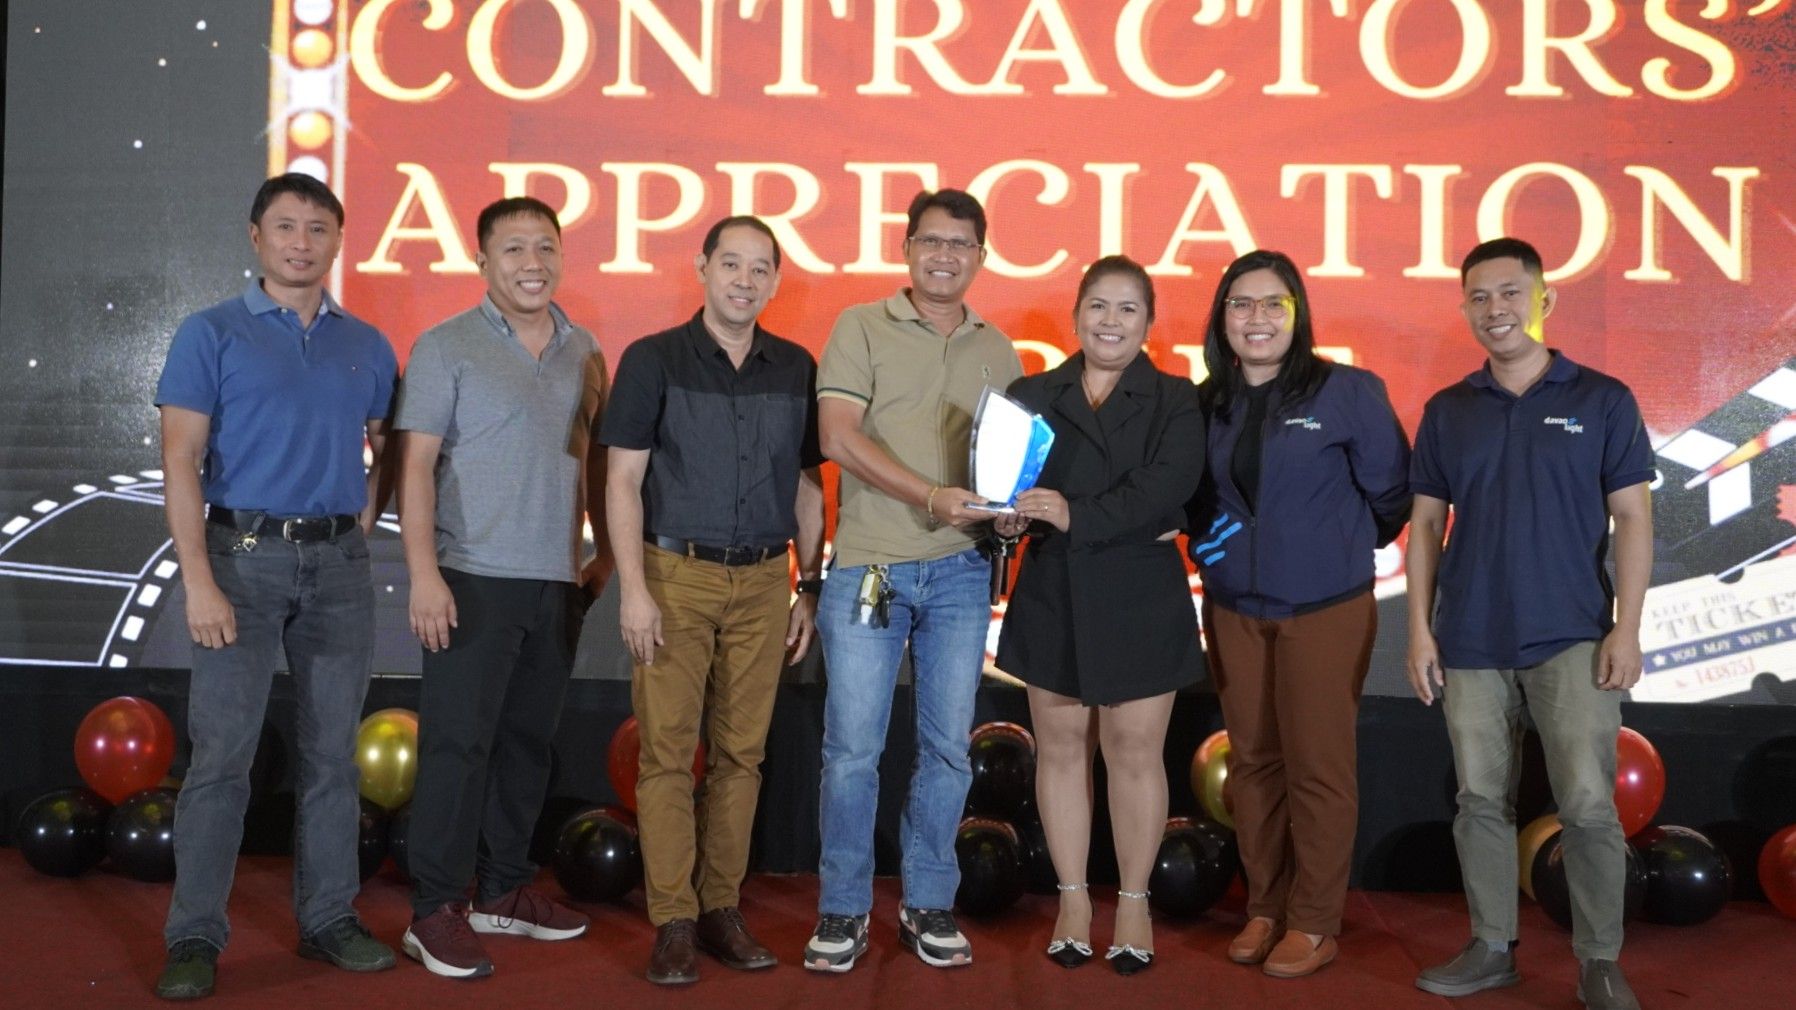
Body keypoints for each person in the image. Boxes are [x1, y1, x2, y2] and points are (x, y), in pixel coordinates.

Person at [153, 173, 399, 999]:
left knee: (334, 759)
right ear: (256, 237)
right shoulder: (211, 332)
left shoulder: (368, 343)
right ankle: (194, 936)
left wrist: (363, 519)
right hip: (238, 562)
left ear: (338, 241)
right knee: (222, 760)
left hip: (339, 570)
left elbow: (387, 444)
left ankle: (329, 918)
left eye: (318, 228)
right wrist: (198, 579)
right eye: (286, 226)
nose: (302, 242)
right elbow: (180, 461)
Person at [1407, 238, 1653, 1010]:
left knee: (1587, 805)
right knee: (1480, 801)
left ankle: (1600, 960)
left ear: (1545, 299)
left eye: (1511, 292)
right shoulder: (1449, 410)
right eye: (1479, 297)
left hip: (1573, 634)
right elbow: (1425, 526)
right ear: (1464, 308)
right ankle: (1491, 947)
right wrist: (1419, 631)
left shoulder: (1603, 399)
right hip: (1470, 637)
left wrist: (1627, 629)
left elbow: (1632, 518)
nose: (1496, 309)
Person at [602, 215, 826, 985]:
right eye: (731, 264)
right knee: (668, 755)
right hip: (674, 576)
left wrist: (809, 585)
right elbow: (622, 481)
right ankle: (673, 919)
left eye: (760, 268)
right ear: (702, 267)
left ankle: (721, 908)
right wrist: (633, 591)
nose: (744, 280)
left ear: (775, 280)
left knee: (742, 756)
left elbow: (808, 485)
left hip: (765, 582)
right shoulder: (652, 359)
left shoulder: (795, 367)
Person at [803, 189, 1022, 972]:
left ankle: (928, 901)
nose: (945, 256)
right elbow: (837, 438)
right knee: (851, 752)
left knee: (947, 752)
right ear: (906, 249)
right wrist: (930, 497)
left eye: (960, 244)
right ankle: (842, 908)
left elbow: (1004, 466)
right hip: (871, 567)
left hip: (962, 572)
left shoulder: (999, 350)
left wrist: (1008, 516)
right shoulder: (860, 326)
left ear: (980, 256)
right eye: (931, 241)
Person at [393, 196, 610, 979]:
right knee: (458, 747)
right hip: (471, 578)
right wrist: (424, 575)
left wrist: (603, 556)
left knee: (526, 745)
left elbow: (596, 463)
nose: (532, 263)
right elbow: (415, 465)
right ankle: (434, 909)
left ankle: (504, 889)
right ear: (482, 260)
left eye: (545, 246)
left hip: (556, 581)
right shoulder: (445, 345)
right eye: (514, 248)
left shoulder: (585, 350)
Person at [1188, 250, 1412, 978]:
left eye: (1272, 304)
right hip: (1233, 609)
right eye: (1241, 304)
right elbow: (1196, 504)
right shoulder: (1205, 401)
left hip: (1324, 609)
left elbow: (1392, 498)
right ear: (1222, 318)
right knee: (1254, 763)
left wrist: (1325, 547)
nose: (1256, 318)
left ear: (1297, 313)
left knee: (1318, 766)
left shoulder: (1347, 392)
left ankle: (1314, 920)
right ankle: (1266, 906)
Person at [993, 255, 1206, 976]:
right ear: (1076, 313)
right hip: (1052, 589)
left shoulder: (1176, 398)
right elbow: (1004, 487)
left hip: (1141, 593)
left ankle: (1135, 902)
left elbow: (1167, 488)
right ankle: (1074, 900)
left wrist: (1072, 513)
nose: (1110, 322)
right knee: (1059, 749)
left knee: (1135, 752)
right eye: (1098, 306)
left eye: (1127, 309)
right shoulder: (1031, 394)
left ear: (1149, 322)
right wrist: (1006, 519)